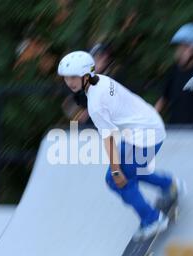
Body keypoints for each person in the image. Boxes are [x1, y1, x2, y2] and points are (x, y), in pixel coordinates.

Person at [57, 51, 179, 240]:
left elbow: (109, 138)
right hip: (145, 126)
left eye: (73, 77)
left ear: (86, 74)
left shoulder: (95, 104)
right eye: (66, 78)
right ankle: (169, 185)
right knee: (131, 171)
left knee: (116, 179)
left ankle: (153, 219)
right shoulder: (102, 80)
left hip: (145, 136)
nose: (69, 82)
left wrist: (116, 171)